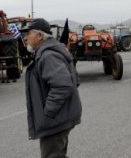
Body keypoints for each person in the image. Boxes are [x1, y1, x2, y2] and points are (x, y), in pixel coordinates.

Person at [20, 18, 82, 158]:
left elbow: (63, 85)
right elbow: (74, 80)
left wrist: (48, 112)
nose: (25, 38)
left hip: (55, 120)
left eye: (28, 34)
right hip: (59, 118)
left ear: (40, 35)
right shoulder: (51, 51)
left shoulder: (48, 55)